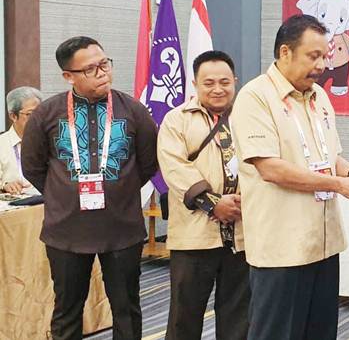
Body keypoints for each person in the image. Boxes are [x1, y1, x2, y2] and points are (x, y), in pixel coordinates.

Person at [231, 14, 349, 340]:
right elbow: (270, 168)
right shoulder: (255, 97)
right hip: (282, 248)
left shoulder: (319, 96)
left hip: (323, 244)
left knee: (320, 333)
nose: (322, 65)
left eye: (325, 56)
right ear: (285, 52)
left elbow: (330, 156)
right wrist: (338, 184)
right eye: (313, 56)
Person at [22, 36, 159, 340]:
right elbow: (32, 167)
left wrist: (119, 190)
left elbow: (149, 163)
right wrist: (62, 193)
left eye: (105, 64)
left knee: (127, 310)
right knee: (67, 311)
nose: (102, 73)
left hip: (121, 229)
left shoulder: (134, 110)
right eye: (90, 69)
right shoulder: (47, 113)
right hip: (66, 230)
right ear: (68, 76)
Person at [157, 50, 250, 340]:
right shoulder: (177, 120)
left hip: (243, 234)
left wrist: (247, 200)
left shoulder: (250, 118)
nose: (218, 89)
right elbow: (174, 168)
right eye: (209, 83)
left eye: (225, 82)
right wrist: (214, 204)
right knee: (185, 316)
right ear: (195, 84)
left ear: (235, 81)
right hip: (194, 235)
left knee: (239, 317)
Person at [0, 86, 43, 193]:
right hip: (14, 200)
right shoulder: (2, 144)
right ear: (13, 116)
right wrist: (4, 185)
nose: (36, 119)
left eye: (39, 113)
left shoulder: (48, 142)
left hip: (42, 200)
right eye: (30, 114)